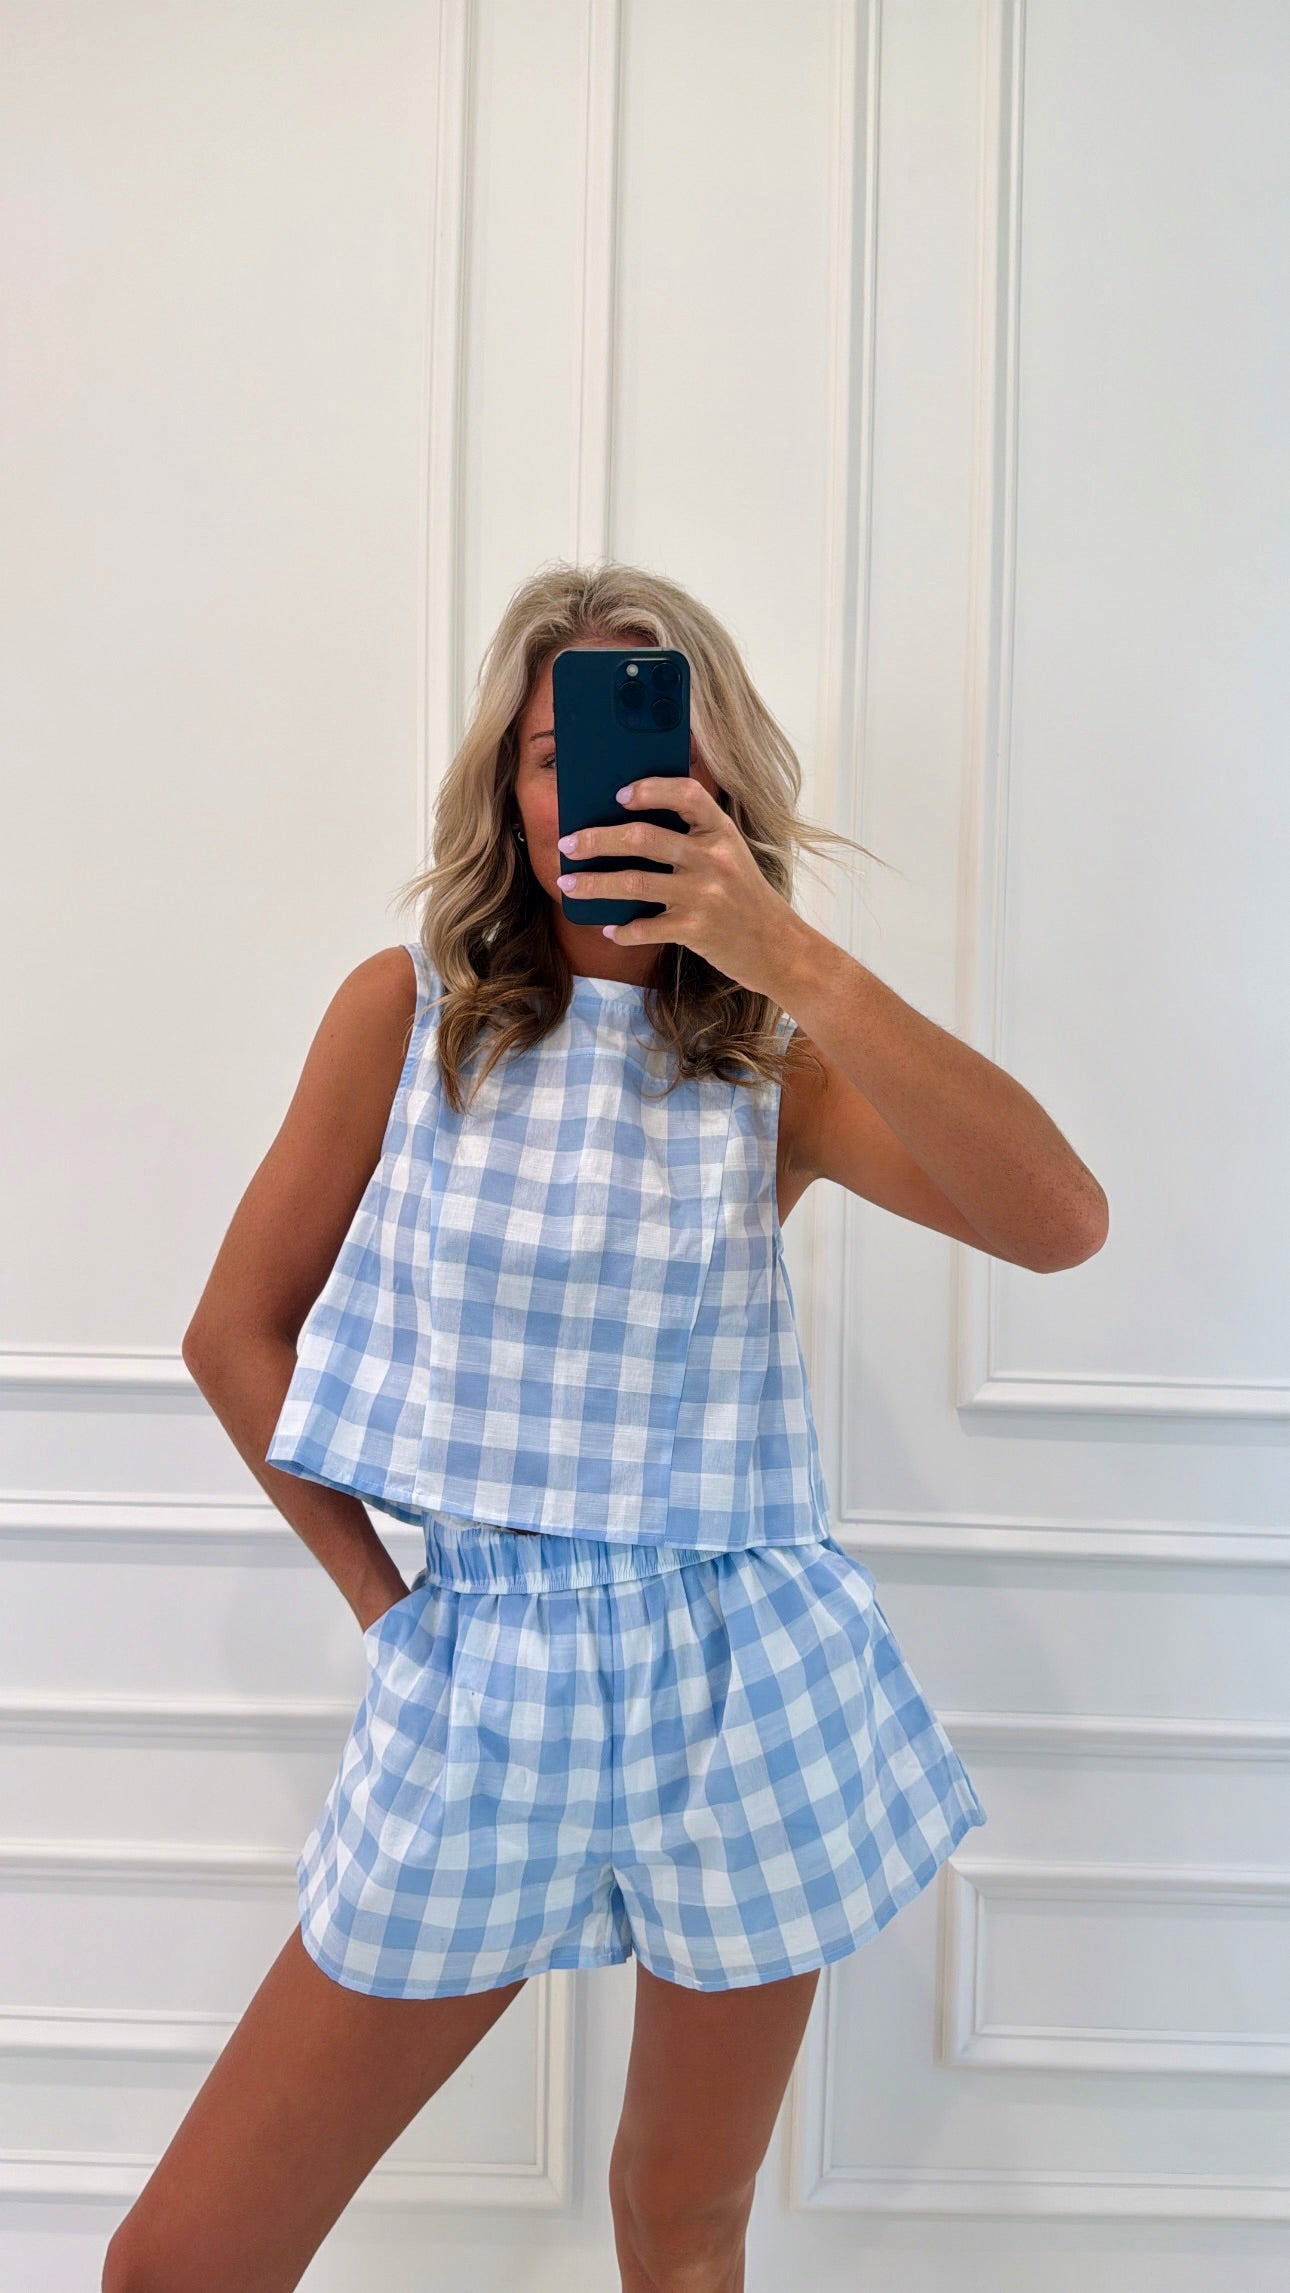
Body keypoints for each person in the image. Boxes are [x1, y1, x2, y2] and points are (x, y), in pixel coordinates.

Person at [103, 562, 1106, 2293]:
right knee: (182, 2261)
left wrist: (784, 950)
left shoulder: (767, 1055)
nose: (603, 783)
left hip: (747, 1673)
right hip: (484, 1671)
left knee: (684, 2217)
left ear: (719, 778)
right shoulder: (409, 1015)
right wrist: (389, 1609)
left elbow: (1057, 1221)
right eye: (558, 750)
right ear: (507, 786)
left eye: (654, 745)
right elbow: (233, 1335)